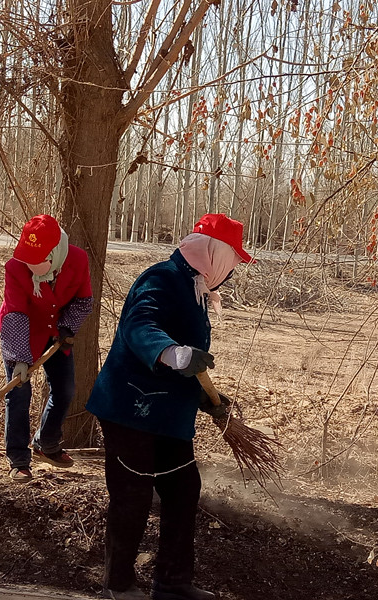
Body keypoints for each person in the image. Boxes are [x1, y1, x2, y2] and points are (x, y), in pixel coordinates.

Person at [86, 213, 254, 600]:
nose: (232, 272)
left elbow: (188, 362)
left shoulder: (196, 287)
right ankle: (118, 585)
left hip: (167, 416)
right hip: (131, 409)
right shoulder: (161, 278)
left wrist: (207, 399)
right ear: (215, 254)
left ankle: (172, 583)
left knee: (183, 489)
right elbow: (140, 326)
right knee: (133, 496)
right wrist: (173, 353)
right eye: (233, 261)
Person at [0, 214, 93, 483]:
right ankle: (18, 460)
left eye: (36, 260)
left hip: (57, 332)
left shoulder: (77, 259)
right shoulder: (14, 268)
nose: (30, 266)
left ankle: (46, 443)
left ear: (54, 254)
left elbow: (83, 300)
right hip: (21, 332)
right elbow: (15, 313)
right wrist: (19, 358)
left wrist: (68, 326)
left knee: (65, 389)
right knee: (18, 393)